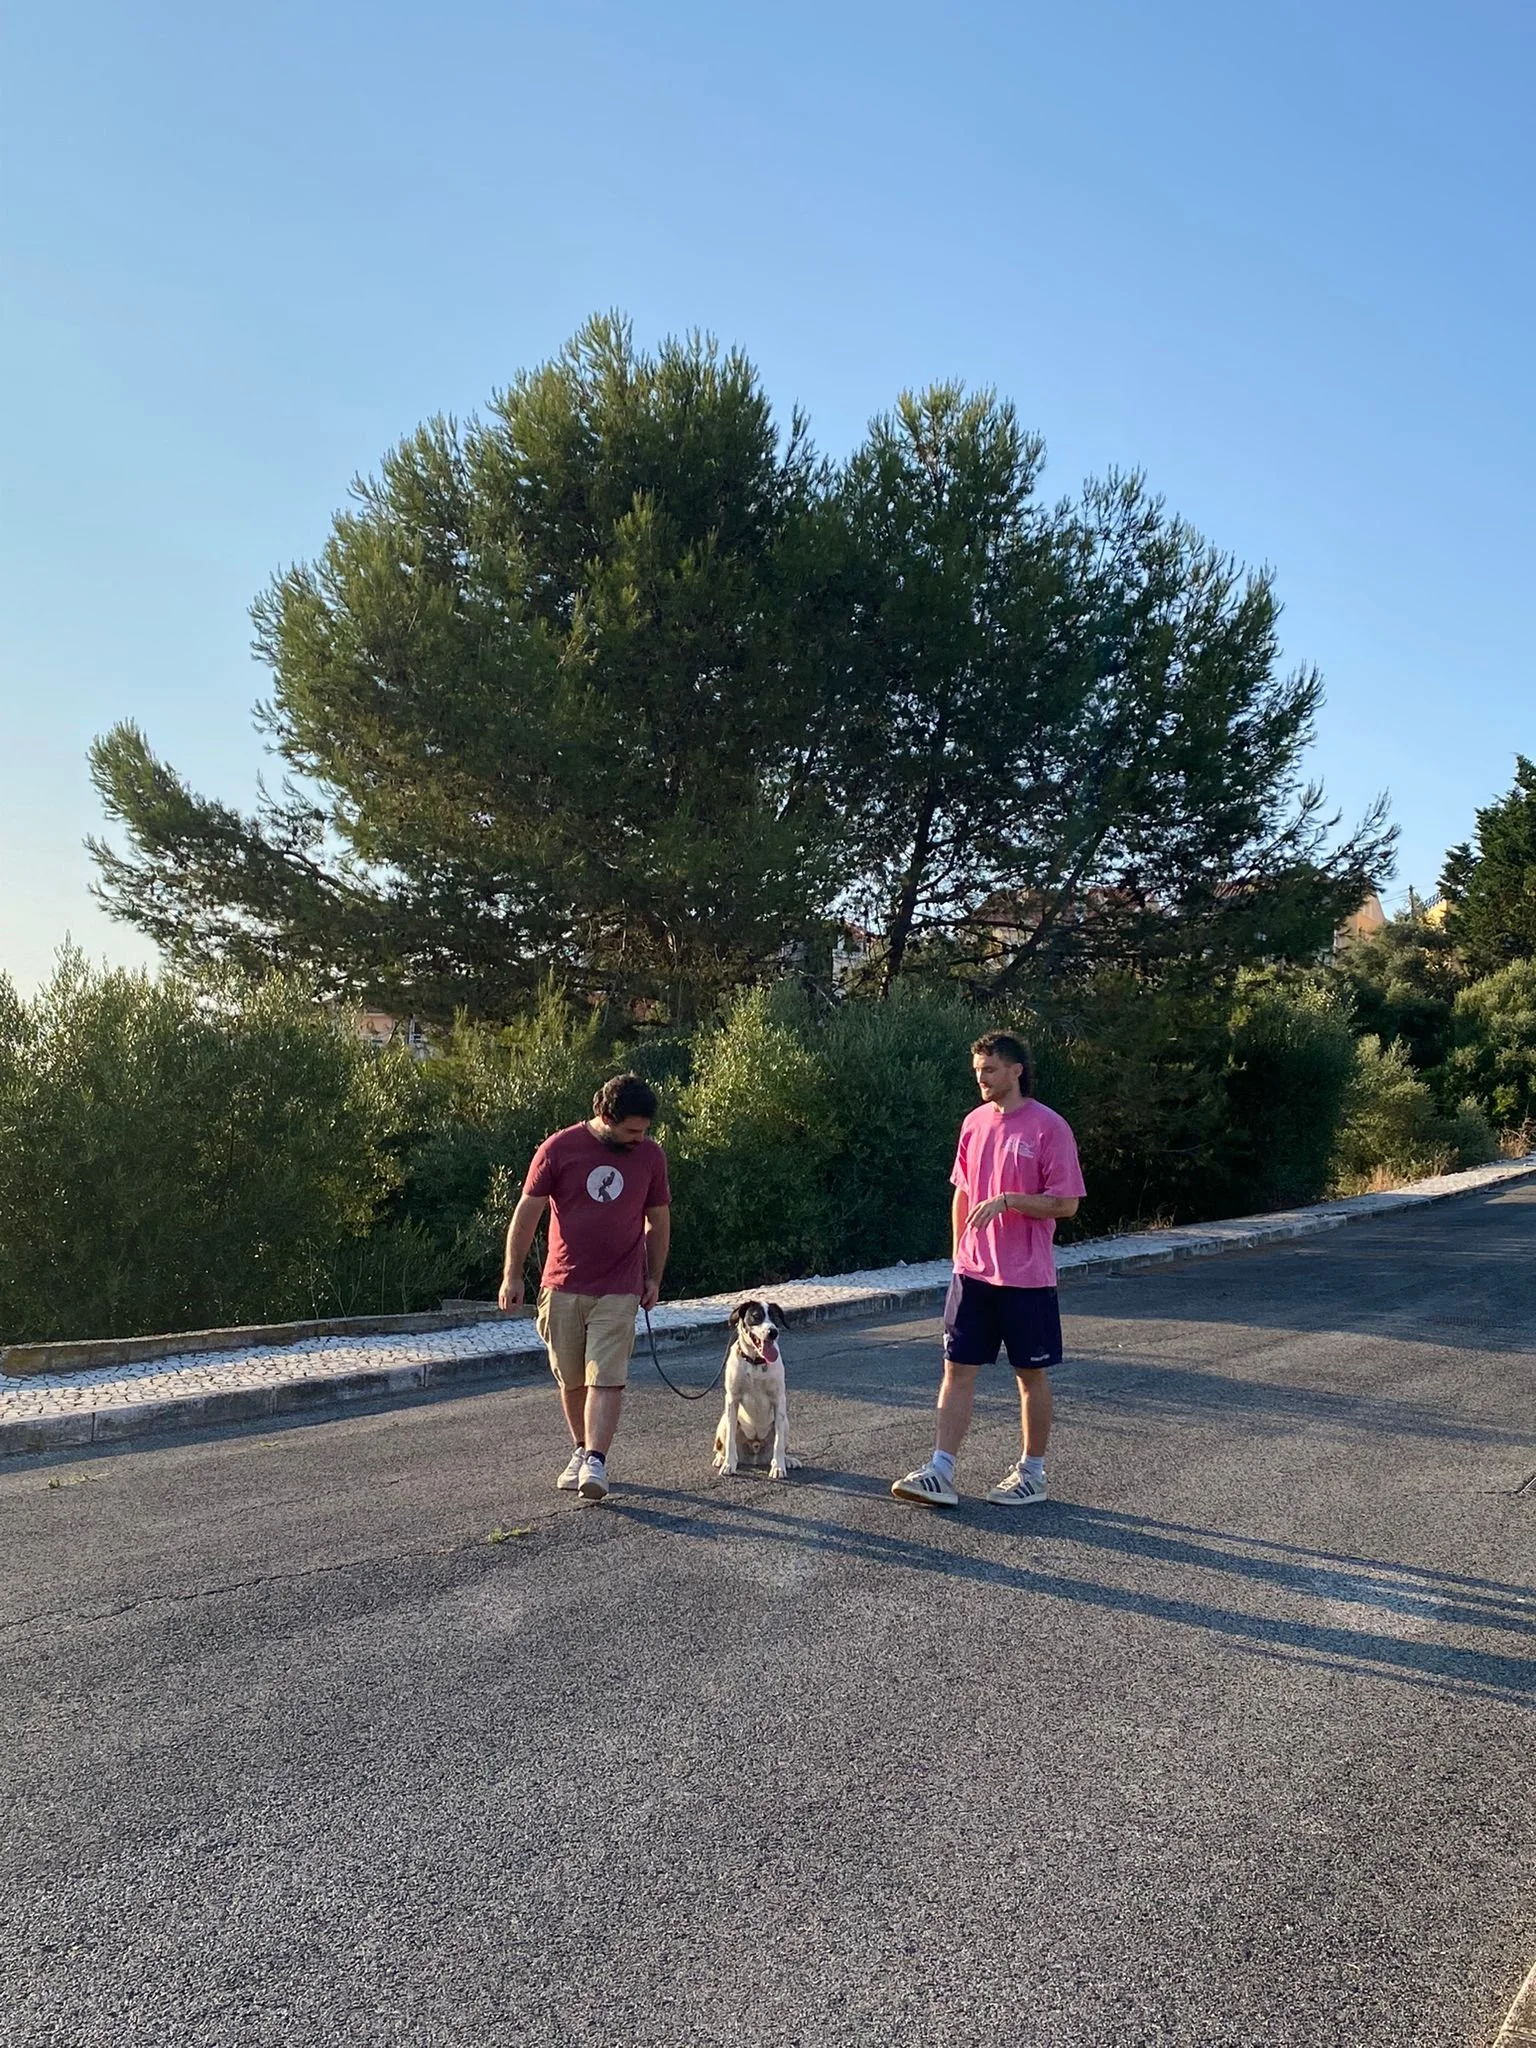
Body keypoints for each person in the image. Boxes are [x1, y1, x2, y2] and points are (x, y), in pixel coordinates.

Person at [892, 1032, 1085, 1510]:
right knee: (956, 1369)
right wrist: (959, 1254)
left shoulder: (1049, 1127)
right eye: (978, 1069)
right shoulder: (974, 1122)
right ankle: (940, 1471)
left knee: (1029, 1375)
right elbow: (962, 1190)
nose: (981, 1077)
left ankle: (1032, 1474)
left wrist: (1009, 1201)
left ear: (1016, 1071)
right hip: (973, 1275)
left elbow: (1066, 1204)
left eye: (990, 1069)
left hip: (1026, 1277)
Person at [498, 1073, 671, 1502]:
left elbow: (658, 1219)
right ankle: (580, 1448)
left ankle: (596, 1459)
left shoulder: (651, 1156)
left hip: (620, 1285)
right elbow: (527, 1213)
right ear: (605, 1117)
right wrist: (512, 1274)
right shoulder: (559, 1148)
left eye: (644, 1131)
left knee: (606, 1376)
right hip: (563, 1284)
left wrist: (653, 1276)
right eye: (631, 1131)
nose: (640, 1138)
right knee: (571, 1378)